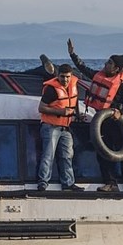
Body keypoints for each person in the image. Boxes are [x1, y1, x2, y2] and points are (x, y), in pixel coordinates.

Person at [67, 39, 123, 192]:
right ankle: (110, 182)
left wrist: (121, 111)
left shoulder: (122, 85)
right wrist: (73, 54)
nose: (106, 64)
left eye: (109, 63)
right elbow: (82, 67)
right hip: (101, 122)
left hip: (117, 122)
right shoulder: (98, 75)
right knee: (102, 152)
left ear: (116, 68)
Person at [37, 64, 83, 192]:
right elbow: (41, 108)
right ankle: (43, 182)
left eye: (68, 77)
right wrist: (61, 112)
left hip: (65, 127)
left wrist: (77, 114)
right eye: (62, 77)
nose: (65, 80)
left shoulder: (73, 86)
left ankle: (68, 183)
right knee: (48, 155)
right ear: (58, 76)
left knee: (67, 156)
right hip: (50, 126)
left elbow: (74, 101)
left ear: (71, 76)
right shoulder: (51, 89)